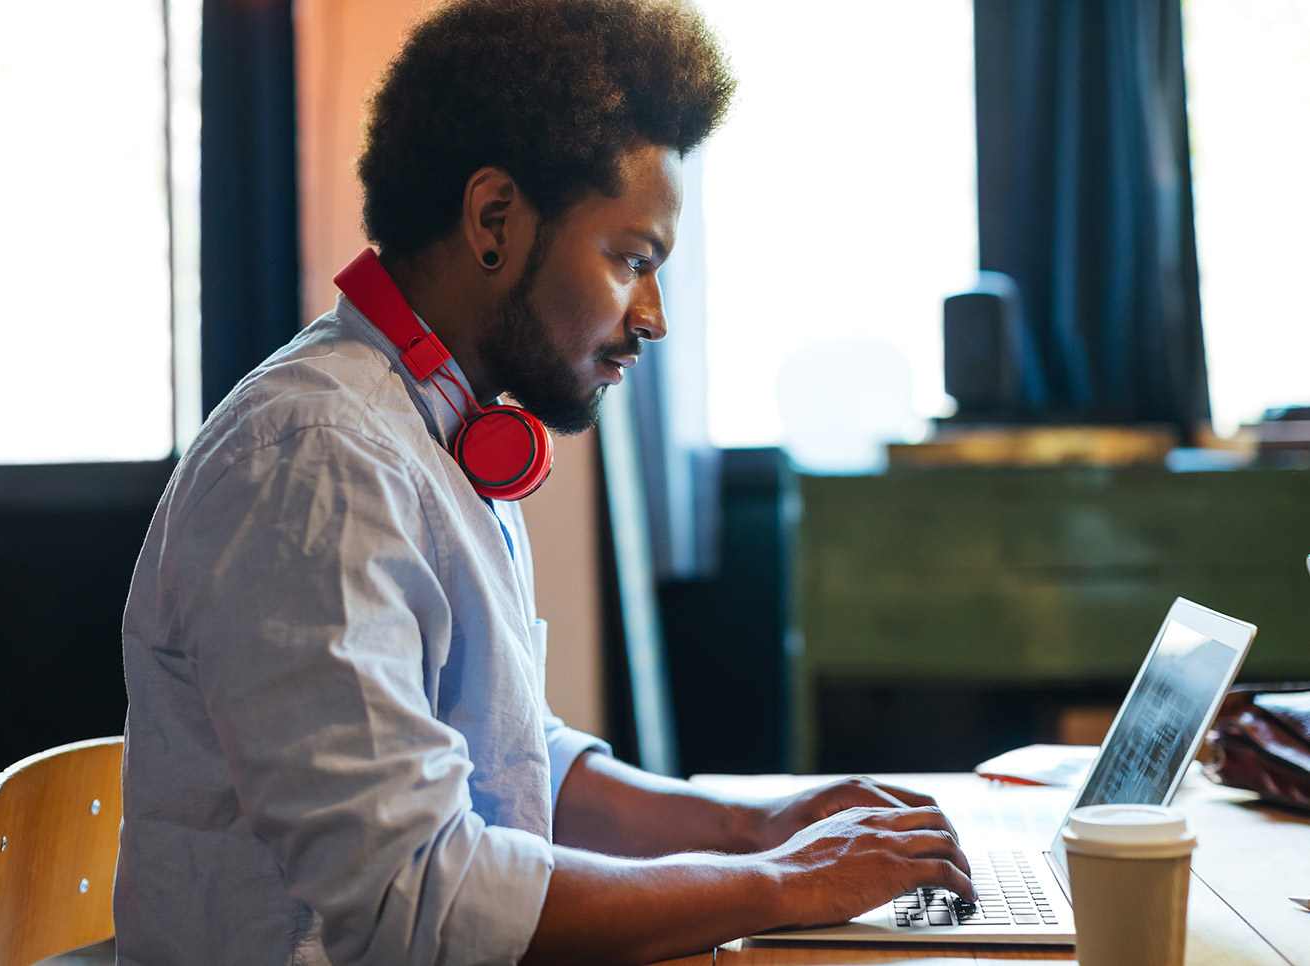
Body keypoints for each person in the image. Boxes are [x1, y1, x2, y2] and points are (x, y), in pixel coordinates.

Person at [114, 1, 975, 963]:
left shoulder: (436, 429)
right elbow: (417, 898)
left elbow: (517, 762)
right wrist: (785, 885)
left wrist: (760, 828)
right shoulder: (318, 461)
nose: (651, 316)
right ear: (494, 220)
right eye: (630, 260)